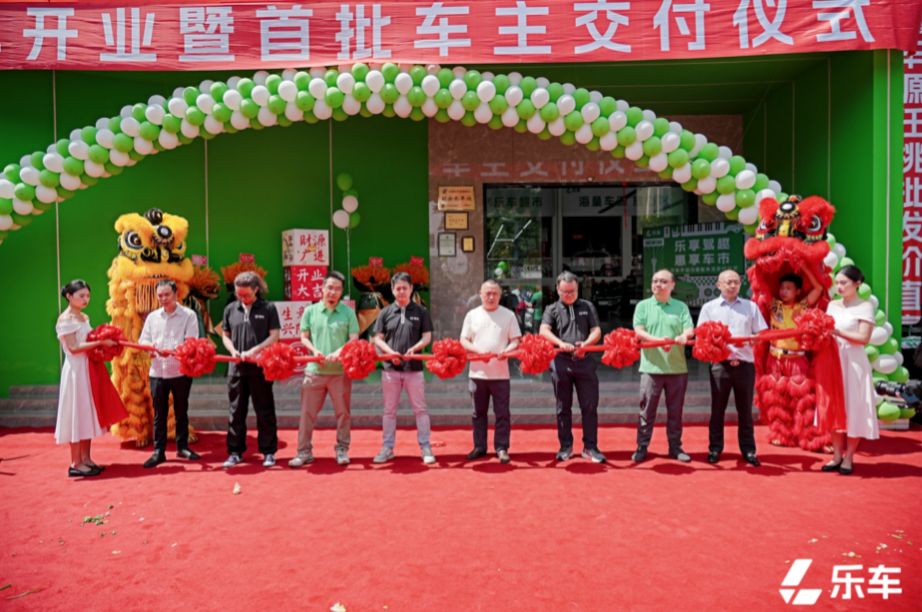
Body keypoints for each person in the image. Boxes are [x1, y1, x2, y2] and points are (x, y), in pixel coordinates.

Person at [697, 270, 768, 466]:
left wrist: (752, 340)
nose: (732, 286)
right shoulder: (709, 308)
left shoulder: (750, 307)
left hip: (745, 365)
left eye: (736, 282)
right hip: (720, 365)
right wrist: (720, 346)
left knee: (745, 410)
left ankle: (749, 450)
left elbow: (762, 333)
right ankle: (715, 449)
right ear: (718, 285)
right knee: (717, 409)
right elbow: (701, 336)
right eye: (728, 282)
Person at [290, 271, 359, 467]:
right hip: (314, 372)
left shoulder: (348, 313)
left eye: (337, 289)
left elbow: (353, 339)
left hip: (340, 372)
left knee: (343, 413)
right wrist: (314, 351)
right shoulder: (310, 311)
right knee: (307, 413)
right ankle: (304, 452)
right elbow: (304, 337)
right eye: (329, 287)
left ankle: (342, 449)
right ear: (322, 288)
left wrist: (338, 352)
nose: (332, 292)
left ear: (341, 291)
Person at [55, 279, 122, 477]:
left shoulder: (83, 317)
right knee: (76, 415)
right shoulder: (65, 319)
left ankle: (86, 458)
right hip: (76, 372)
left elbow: (88, 340)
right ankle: (75, 463)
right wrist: (101, 342)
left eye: (87, 296)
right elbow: (74, 348)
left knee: (86, 415)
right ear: (69, 296)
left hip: (89, 370)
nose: (86, 299)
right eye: (81, 296)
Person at [539, 271, 606, 463]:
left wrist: (586, 344)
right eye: (565, 292)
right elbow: (544, 330)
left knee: (590, 406)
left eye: (572, 291)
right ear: (557, 290)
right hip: (561, 362)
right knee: (563, 407)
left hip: (585, 361)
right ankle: (565, 446)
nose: (569, 295)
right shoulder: (551, 309)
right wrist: (560, 343)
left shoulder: (587, 306)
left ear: (578, 289)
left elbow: (596, 330)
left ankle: (590, 447)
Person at [371, 272, 436, 465]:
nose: (401, 291)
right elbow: (377, 339)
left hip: (414, 369)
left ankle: (425, 447)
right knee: (389, 411)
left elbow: (427, 336)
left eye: (404, 288)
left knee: (420, 410)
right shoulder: (385, 312)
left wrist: (415, 349)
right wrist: (390, 352)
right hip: (390, 370)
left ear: (411, 289)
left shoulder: (421, 311)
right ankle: (387, 448)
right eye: (397, 288)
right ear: (392, 290)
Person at [631, 269, 694, 463]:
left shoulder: (681, 307)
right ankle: (642, 446)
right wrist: (659, 341)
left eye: (663, 281)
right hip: (651, 368)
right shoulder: (643, 306)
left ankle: (675, 447)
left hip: (677, 368)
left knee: (675, 411)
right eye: (655, 281)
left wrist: (684, 335)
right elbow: (639, 330)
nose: (658, 284)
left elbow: (689, 329)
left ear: (672, 285)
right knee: (646, 410)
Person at [138, 279, 200, 468]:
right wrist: (150, 348)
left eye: (167, 295)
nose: (163, 298)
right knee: (159, 413)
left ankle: (182, 447)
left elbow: (191, 341)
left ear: (176, 294)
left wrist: (172, 351)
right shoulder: (152, 317)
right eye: (160, 295)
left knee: (181, 410)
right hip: (157, 371)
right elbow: (143, 340)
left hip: (180, 371)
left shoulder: (189, 315)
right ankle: (159, 451)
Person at [221, 271, 280, 468]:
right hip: (236, 369)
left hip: (260, 368)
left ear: (256, 289)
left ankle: (268, 452)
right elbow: (225, 335)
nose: (242, 298)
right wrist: (232, 351)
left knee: (265, 410)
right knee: (236, 411)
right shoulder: (230, 309)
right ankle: (235, 452)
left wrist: (256, 350)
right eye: (238, 294)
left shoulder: (268, 308)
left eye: (246, 294)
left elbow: (274, 335)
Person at [822, 265, 878, 475]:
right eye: (837, 283)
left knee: (854, 407)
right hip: (833, 359)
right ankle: (836, 455)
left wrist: (838, 332)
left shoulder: (865, 306)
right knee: (834, 405)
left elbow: (863, 338)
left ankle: (849, 457)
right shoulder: (832, 305)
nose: (839, 286)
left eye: (844, 282)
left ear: (857, 283)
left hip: (854, 362)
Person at [460, 279, 522, 463]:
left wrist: (507, 351)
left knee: (502, 413)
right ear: (480, 294)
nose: (491, 297)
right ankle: (479, 446)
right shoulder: (472, 315)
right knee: (478, 413)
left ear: (500, 295)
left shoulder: (508, 315)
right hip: (477, 374)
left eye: (495, 293)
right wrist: (478, 352)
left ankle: (502, 447)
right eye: (487, 293)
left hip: (500, 375)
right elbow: (464, 340)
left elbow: (516, 340)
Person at [763, 269, 824, 447]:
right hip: (775, 359)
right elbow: (760, 285)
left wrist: (805, 266)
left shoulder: (802, 307)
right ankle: (781, 435)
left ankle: (807, 436)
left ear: (798, 291)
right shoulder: (774, 305)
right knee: (777, 400)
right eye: (782, 287)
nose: (784, 291)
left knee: (802, 400)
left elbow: (818, 289)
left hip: (797, 359)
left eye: (789, 288)